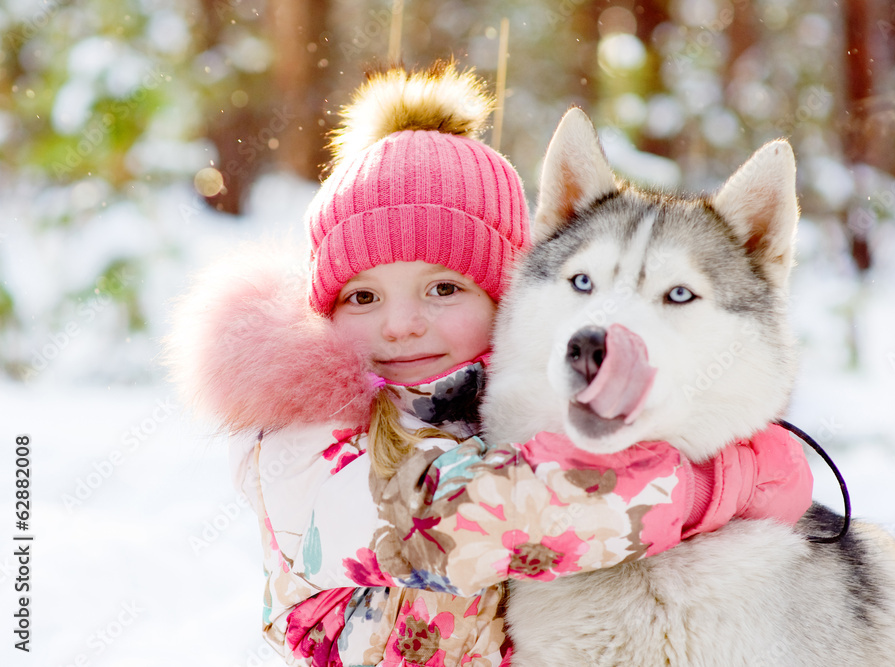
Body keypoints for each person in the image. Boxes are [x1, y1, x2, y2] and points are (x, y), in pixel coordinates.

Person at [167, 62, 813, 667]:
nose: (400, 324)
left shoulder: (485, 412)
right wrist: (709, 484)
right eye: (362, 296)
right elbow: (469, 515)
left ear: (502, 295)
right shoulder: (302, 443)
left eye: (443, 288)